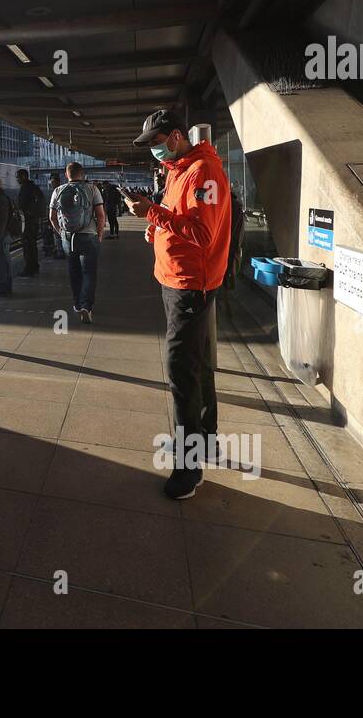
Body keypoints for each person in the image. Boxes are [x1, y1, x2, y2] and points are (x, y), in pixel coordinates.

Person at [124, 110, 232, 500]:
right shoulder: (178, 170)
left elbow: (203, 232)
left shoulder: (203, 173)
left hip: (190, 285)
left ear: (173, 137)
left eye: (154, 143)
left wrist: (151, 213)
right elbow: (180, 217)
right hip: (175, 279)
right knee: (198, 364)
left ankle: (188, 471)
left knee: (180, 372)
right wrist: (157, 224)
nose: (153, 151)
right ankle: (205, 440)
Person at [50, 162, 105, 324]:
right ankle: (86, 306)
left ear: (67, 175)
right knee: (89, 272)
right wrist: (100, 234)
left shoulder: (58, 190)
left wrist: (61, 233)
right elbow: (100, 215)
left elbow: (52, 217)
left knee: (74, 272)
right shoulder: (92, 189)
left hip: (68, 238)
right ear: (83, 174)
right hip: (89, 236)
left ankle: (76, 304)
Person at [15, 168, 44, 277]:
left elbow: (22, 205)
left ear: (23, 176)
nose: (17, 179)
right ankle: (34, 266)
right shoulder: (34, 187)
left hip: (27, 221)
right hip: (34, 220)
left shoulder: (26, 188)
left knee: (27, 245)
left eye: (18, 177)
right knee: (32, 244)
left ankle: (29, 269)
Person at [224, 188, 245, 290]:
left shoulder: (231, 206)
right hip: (228, 259)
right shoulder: (234, 205)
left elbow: (234, 240)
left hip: (225, 260)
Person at [43, 173, 65, 259]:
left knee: (58, 235)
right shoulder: (61, 190)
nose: (51, 184)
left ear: (56, 181)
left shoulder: (57, 191)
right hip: (60, 217)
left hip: (58, 217)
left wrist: (51, 219)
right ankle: (61, 250)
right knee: (58, 235)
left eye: (52, 182)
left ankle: (61, 252)